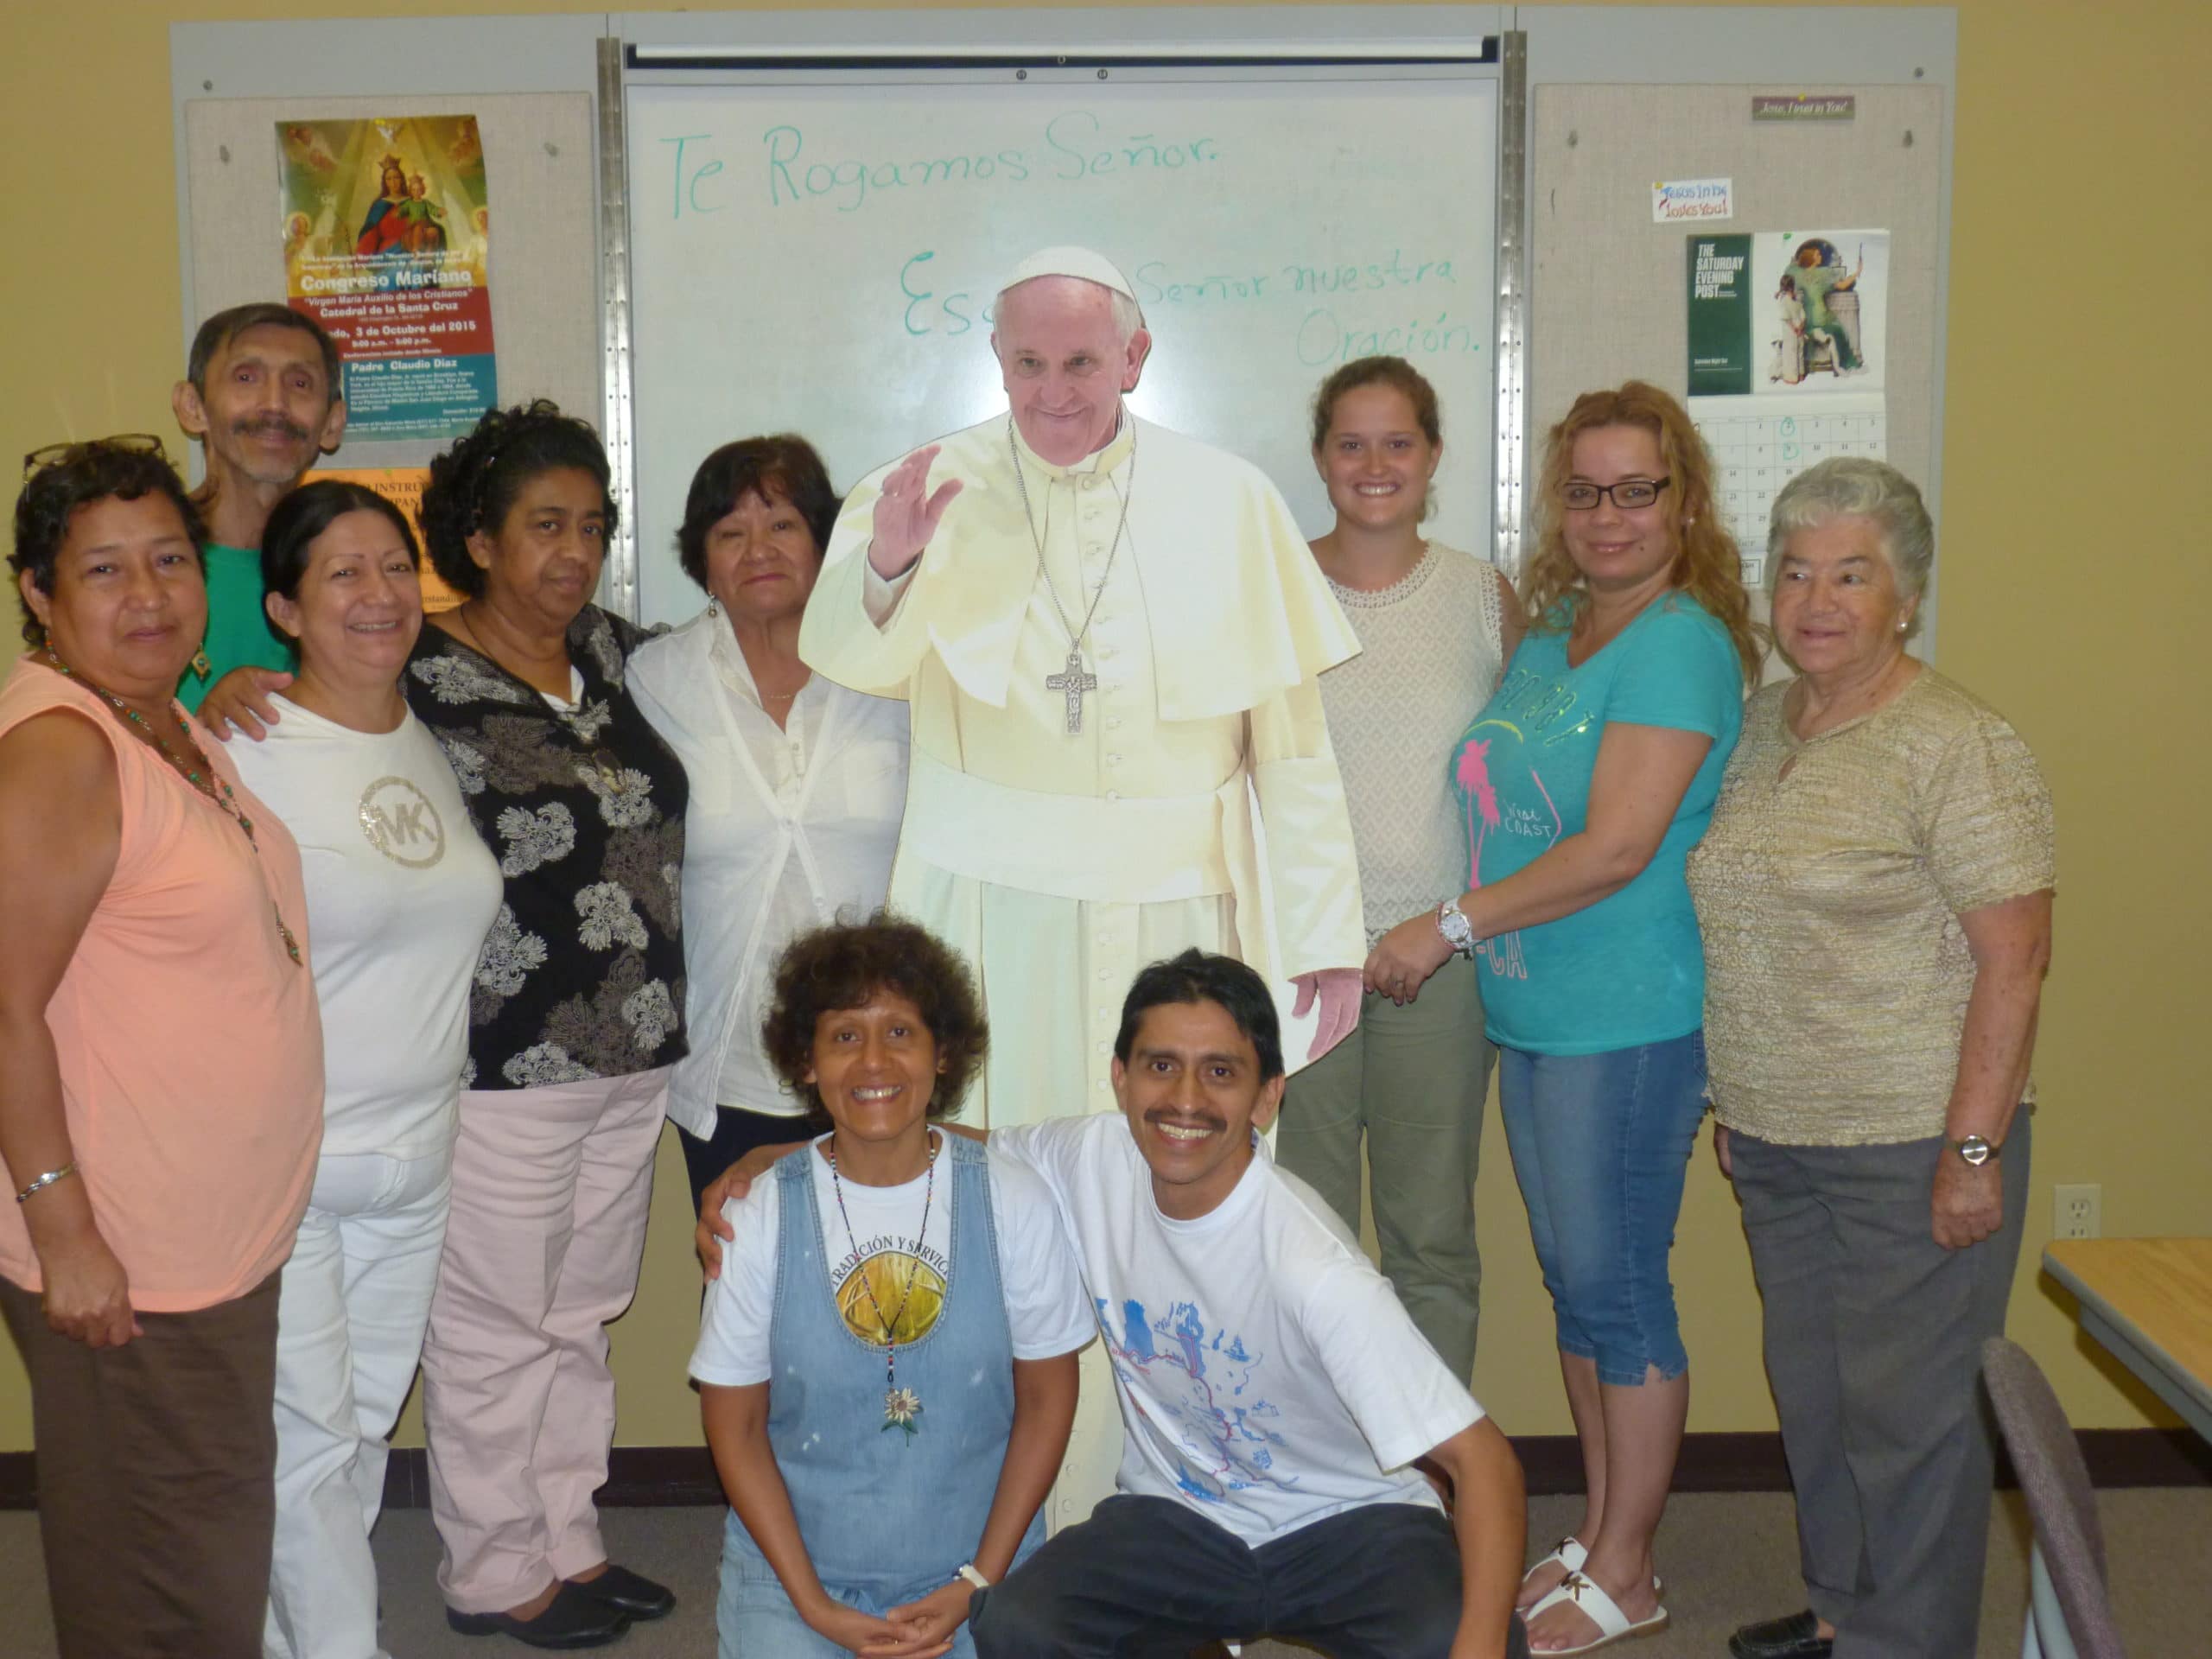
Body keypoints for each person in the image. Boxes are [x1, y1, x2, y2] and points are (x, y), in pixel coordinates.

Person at [199, 398, 690, 1648]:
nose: (570, 553)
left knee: (582, 1314)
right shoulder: (410, 665)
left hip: (635, 1048)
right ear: (477, 538)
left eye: (590, 527)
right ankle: (492, 1566)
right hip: (497, 1060)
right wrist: (242, 683)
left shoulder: (625, 657)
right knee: (495, 1328)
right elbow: (312, 712)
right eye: (542, 526)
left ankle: (568, 1541)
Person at [702, 949, 1531, 1659]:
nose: (1184, 1100)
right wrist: (781, 1157)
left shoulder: (1314, 1267)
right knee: (1019, 1624)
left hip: (1347, 1527)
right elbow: (936, 1143)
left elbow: (1486, 1466)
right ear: (1121, 1078)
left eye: (1221, 1073)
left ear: (1267, 1097)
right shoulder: (1090, 1156)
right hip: (1181, 1521)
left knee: (1474, 1632)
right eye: (1160, 1065)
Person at [798, 244, 1367, 1129]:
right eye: (1029, 363)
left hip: (1179, 909)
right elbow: (849, 660)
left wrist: (1324, 937)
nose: (1052, 390)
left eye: (1081, 363)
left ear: (1134, 359)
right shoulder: (919, 490)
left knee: (1171, 1182)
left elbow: (1294, 749)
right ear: (997, 357)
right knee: (992, 1170)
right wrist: (887, 563)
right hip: (983, 914)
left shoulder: (1232, 501)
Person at [1366, 381, 1762, 1655]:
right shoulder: (1554, 634)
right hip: (1538, 1016)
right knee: (1576, 1284)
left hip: (1630, 1021)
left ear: (1682, 501)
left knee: (1621, 1291)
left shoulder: (1681, 643)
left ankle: (1633, 1571)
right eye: (1583, 491)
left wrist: (1451, 923)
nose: (1607, 516)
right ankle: (1599, 1534)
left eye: (1635, 490)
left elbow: (1616, 847)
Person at [1688, 458, 2054, 1659]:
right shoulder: (1758, 728)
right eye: (1796, 572)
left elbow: (2017, 957)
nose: (1817, 599)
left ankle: (1909, 1643)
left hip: (1914, 1137)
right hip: (1779, 1137)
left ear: (1907, 594)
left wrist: (1973, 1149)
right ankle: (1846, 1609)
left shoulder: (1957, 742)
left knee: (1913, 1421)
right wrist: (1740, 1095)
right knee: (1817, 1402)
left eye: (1852, 573)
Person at [0, 438, 322, 1656]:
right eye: (103, 572)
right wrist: (63, 1232)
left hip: (204, 1243)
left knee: (195, 1549)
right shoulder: (60, 750)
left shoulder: (160, 717)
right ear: (39, 593)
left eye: (170, 560)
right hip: (125, 1263)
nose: (148, 596)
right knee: (167, 1581)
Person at [225, 481, 502, 1659]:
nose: (379, 594)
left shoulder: (429, 737)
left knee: (352, 1443)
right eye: (341, 574)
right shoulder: (237, 746)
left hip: (419, 1160)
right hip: (296, 1165)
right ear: (284, 607)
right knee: (306, 1447)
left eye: (394, 566)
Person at [694, 918, 1088, 1659]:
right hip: (794, 1579)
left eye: (900, 1033)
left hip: (981, 1571)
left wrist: (978, 1581)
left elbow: (1046, 1401)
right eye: (844, 1036)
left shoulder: (1014, 1200)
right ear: (806, 1062)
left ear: (943, 1055)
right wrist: (812, 1606)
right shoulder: (759, 1212)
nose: (873, 1061)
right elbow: (735, 1426)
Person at [1274, 355, 1521, 1383]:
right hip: (1301, 965)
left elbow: (1527, 783)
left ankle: (1427, 1493)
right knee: (1303, 1241)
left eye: (1398, 442)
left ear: (1433, 456)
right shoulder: (1271, 588)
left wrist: (1464, 922)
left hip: (1443, 962)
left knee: (1431, 1244)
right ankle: (1322, 1495)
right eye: (1350, 442)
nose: (1374, 464)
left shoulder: (1481, 595)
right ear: (1320, 457)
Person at [629, 436, 909, 1224]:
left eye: (782, 524)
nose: (759, 550)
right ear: (702, 561)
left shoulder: (898, 674)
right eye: (730, 533)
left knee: (893, 1301)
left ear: (825, 543)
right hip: (732, 1070)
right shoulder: (653, 679)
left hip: (885, 1060)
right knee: (751, 1316)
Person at [171, 302, 348, 709]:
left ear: (332, 423)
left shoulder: (350, 572)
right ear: (192, 406)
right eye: (246, 377)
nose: (274, 404)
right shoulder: (143, 564)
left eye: (300, 384)